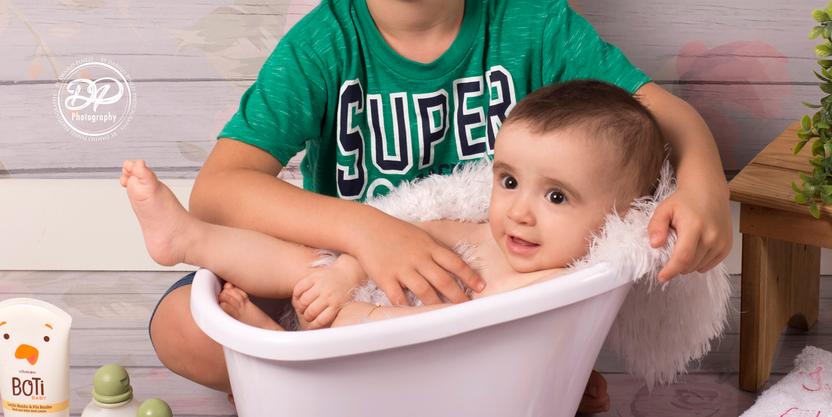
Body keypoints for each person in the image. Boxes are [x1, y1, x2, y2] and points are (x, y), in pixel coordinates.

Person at [148, 0, 732, 413]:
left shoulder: (531, 24)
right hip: (349, 275)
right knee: (183, 326)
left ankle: (368, 391)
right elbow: (219, 189)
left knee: (559, 280)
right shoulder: (324, 44)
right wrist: (370, 233)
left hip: (488, 278)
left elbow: (656, 112)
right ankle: (474, 389)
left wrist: (705, 187)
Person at [125, 80, 666, 336]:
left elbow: (458, 327)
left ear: (622, 217)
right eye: (507, 181)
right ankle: (190, 240)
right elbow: (425, 228)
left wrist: (367, 317)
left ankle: (277, 351)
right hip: (363, 297)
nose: (519, 213)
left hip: (393, 344)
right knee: (302, 262)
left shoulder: (550, 286)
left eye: (555, 197)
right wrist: (345, 271)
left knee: (329, 352)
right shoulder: (491, 237)